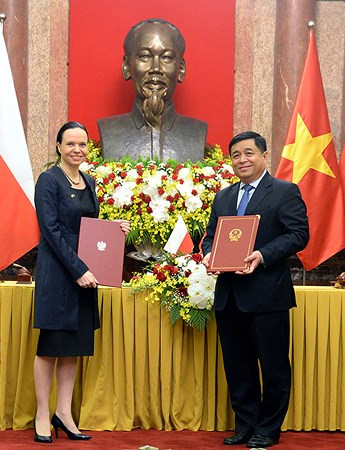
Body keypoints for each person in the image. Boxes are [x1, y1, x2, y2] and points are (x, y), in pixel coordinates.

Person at [202, 131, 309, 448]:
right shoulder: (223, 197)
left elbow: (298, 235)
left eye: (248, 153)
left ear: (265, 155)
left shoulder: (284, 192)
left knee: (273, 367)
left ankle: (268, 429)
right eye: (236, 155)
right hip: (229, 296)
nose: (242, 160)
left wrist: (262, 255)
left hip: (267, 296)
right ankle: (245, 425)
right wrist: (209, 252)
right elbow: (210, 236)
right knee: (238, 367)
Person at [32, 121, 129, 443]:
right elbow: (52, 231)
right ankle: (42, 414)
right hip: (61, 273)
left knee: (73, 348)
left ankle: (64, 413)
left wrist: (114, 229)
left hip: (87, 274)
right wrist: (78, 270)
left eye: (82, 145)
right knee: (50, 347)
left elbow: (88, 227)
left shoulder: (87, 181)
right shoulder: (48, 180)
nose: (77, 150)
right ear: (58, 146)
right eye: (71, 144)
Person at [97, 18, 207, 162]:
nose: (156, 68)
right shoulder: (109, 131)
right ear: (126, 67)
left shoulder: (197, 131)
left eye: (167, 58)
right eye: (145, 56)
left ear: (181, 69)